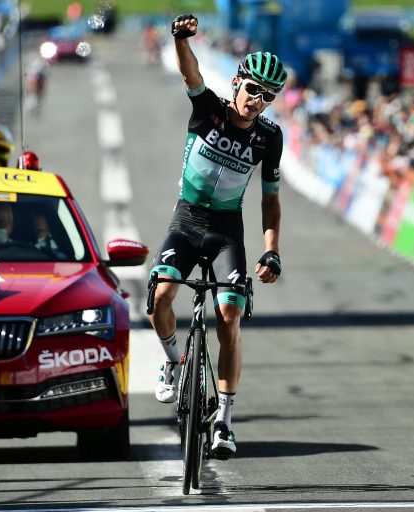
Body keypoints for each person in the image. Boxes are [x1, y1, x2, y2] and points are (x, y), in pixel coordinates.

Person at [148, 14, 286, 460]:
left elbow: (269, 200)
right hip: (186, 221)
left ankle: (224, 419)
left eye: (268, 96)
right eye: (252, 90)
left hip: (227, 230)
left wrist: (272, 251)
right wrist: (180, 40)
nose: (257, 101)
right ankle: (173, 361)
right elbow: (191, 73)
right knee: (160, 297)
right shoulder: (207, 107)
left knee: (229, 314)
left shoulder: (269, 138)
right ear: (237, 83)